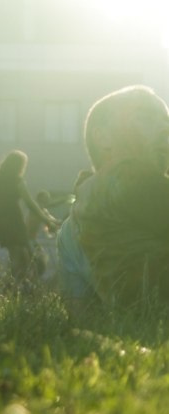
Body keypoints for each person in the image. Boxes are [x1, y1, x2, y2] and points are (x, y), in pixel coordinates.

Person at [57, 85, 169, 310]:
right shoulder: (133, 185)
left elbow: (80, 314)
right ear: (103, 137)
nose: (165, 129)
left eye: (167, 121)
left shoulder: (68, 233)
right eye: (146, 118)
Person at [0, 150, 58, 284]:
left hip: (1, 219)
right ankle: (17, 289)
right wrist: (47, 221)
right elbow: (30, 204)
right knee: (24, 258)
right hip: (14, 219)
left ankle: (14, 288)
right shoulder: (17, 181)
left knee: (16, 255)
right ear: (18, 165)